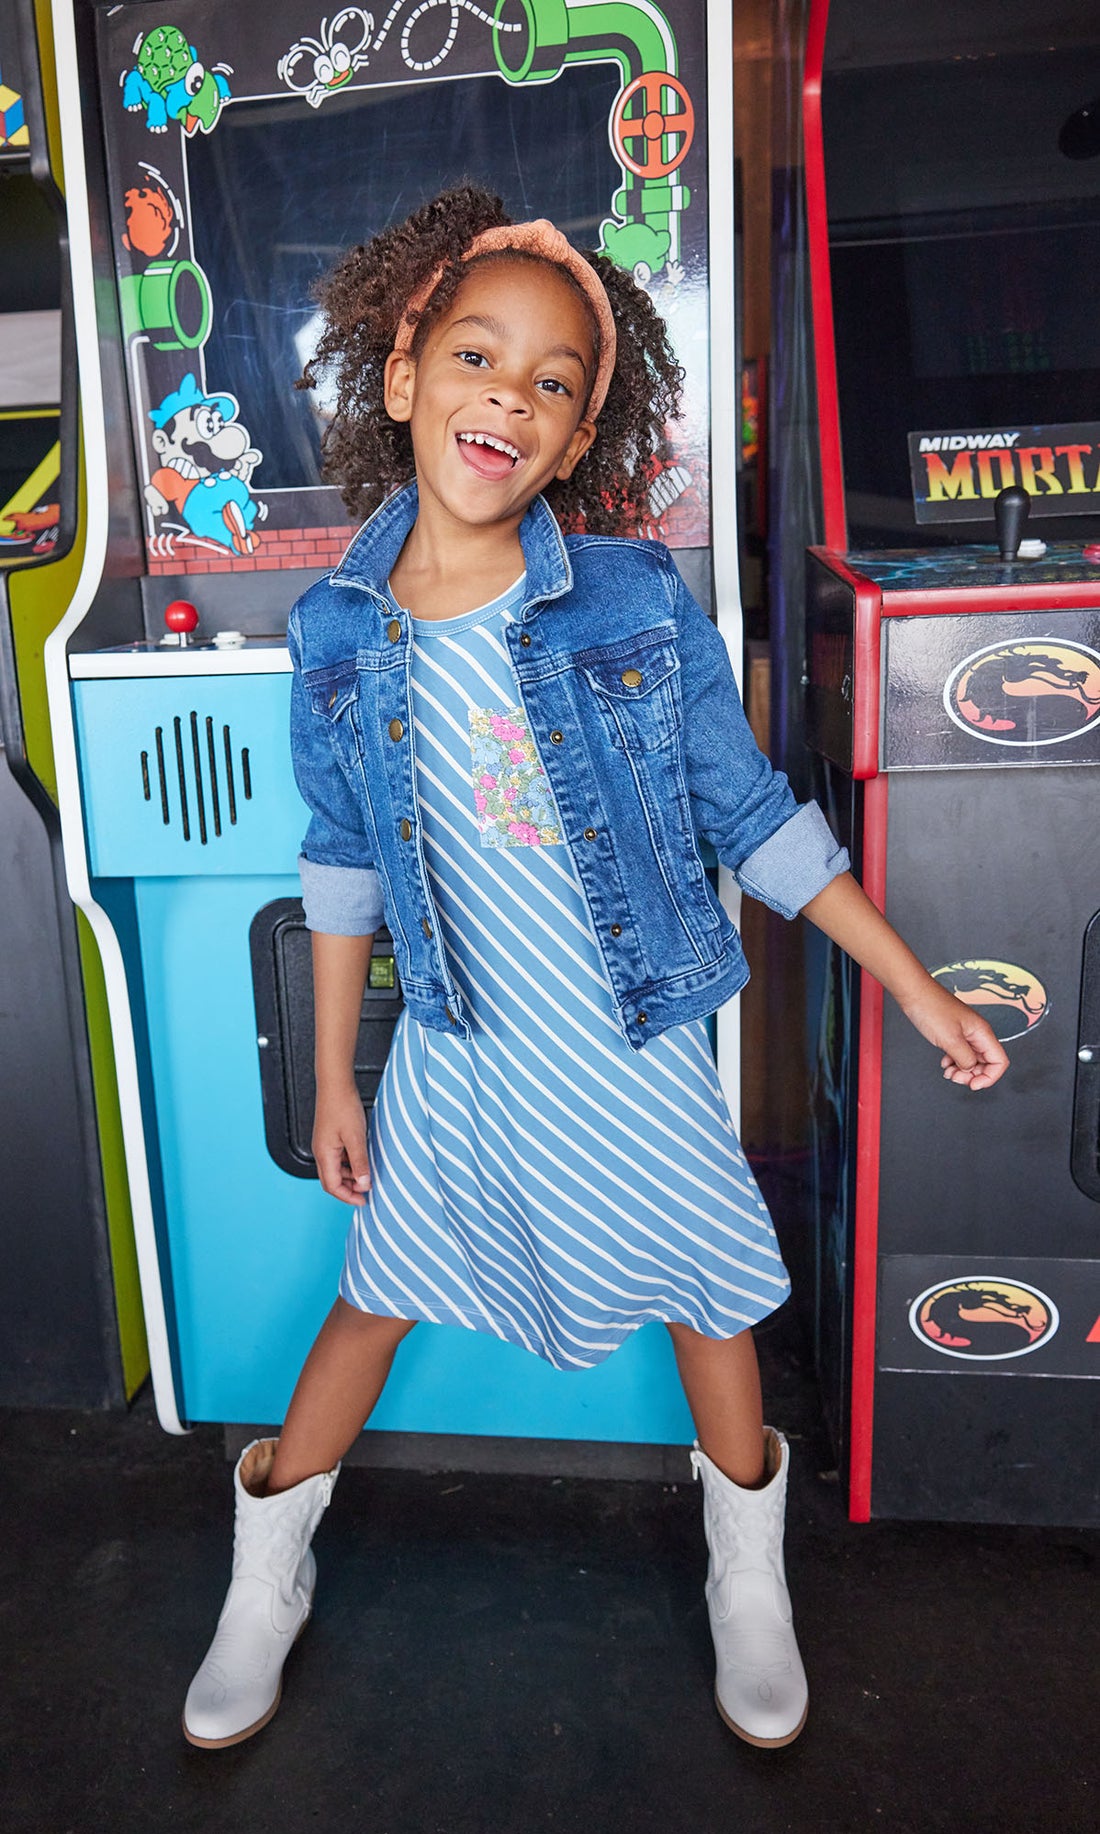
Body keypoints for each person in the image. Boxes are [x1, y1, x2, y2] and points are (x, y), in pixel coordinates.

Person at [182, 186, 1009, 1752]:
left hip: (632, 1047)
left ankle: (746, 1572)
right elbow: (343, 849)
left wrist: (912, 982)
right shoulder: (338, 631)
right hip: (463, 1053)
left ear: (577, 441)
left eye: (556, 382)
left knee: (711, 1298)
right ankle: (266, 1567)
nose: (514, 393)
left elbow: (752, 817)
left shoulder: (629, 604)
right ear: (405, 370)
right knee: (375, 1299)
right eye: (480, 356)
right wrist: (346, 1067)